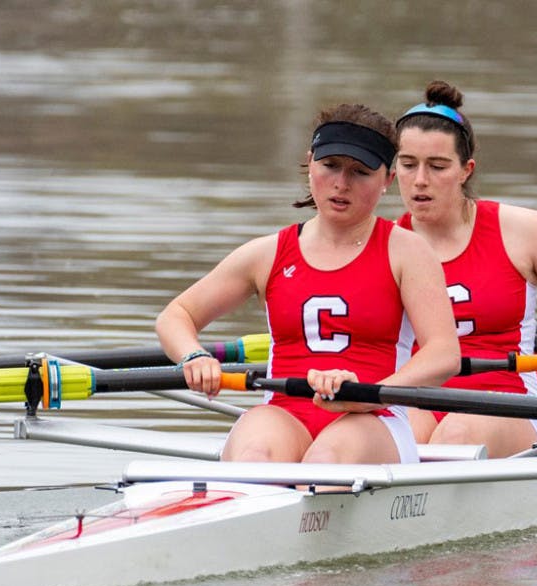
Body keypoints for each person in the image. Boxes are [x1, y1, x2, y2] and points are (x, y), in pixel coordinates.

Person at [156, 102, 460, 465]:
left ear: (387, 180)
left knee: (326, 462)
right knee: (255, 454)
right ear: (310, 161)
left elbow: (444, 353)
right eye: (330, 166)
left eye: (359, 172)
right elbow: (176, 315)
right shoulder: (268, 253)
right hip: (285, 411)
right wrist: (195, 356)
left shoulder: (407, 251)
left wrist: (374, 393)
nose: (341, 184)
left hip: (371, 417)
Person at [394, 80, 537, 457]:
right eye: (408, 165)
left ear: (465, 170)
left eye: (437, 166)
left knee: (454, 436)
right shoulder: (387, 244)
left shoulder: (520, 231)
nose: (420, 180)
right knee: (396, 433)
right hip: (417, 398)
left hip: (508, 404)